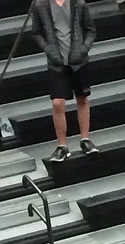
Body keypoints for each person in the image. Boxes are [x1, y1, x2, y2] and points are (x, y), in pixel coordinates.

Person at [30, 0, 96, 162]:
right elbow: (36, 32)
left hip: (78, 60)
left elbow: (90, 30)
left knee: (82, 98)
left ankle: (85, 139)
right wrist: (47, 49)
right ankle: (62, 146)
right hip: (57, 62)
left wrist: (83, 48)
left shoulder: (78, 3)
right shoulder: (40, 5)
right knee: (57, 103)